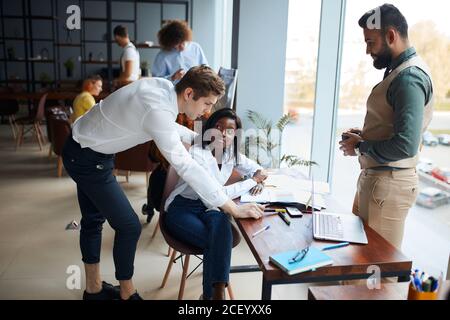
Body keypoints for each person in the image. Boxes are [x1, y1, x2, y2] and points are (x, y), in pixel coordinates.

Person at [61, 65, 265, 300]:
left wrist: (200, 138)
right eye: (207, 104)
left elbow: (169, 127)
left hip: (90, 148)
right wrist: (233, 208)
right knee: (129, 226)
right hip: (87, 157)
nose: (208, 111)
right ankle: (127, 294)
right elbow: (186, 166)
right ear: (189, 94)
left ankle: (93, 290)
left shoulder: (165, 89)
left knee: (93, 220)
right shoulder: (158, 108)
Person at [339, 4, 434, 250]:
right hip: (378, 182)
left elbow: (405, 145)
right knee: (359, 259)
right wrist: (364, 136)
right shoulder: (397, 72)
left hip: (388, 185)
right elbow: (394, 128)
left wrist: (362, 145)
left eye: (370, 42)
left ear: (391, 36)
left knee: (376, 269)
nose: (367, 50)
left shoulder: (409, 78)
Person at [165, 108, 268, 300]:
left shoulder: (231, 154)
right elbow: (214, 193)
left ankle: (212, 296)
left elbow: (258, 169)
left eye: (229, 130)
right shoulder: (197, 153)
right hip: (183, 208)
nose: (222, 132)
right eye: (218, 126)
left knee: (220, 229)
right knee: (219, 239)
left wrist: (257, 177)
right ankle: (215, 295)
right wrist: (252, 181)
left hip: (212, 209)